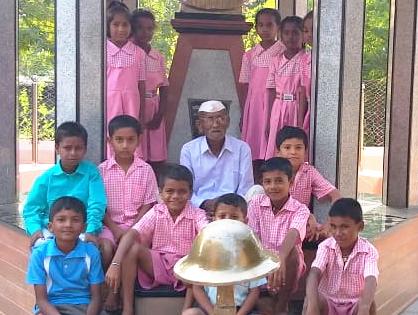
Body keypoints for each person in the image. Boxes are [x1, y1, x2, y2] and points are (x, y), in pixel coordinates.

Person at [105, 164, 208, 315]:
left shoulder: (197, 214)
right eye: (169, 191)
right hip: (158, 264)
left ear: (191, 193)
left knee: (197, 263)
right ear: (160, 192)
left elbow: (207, 232)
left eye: (182, 192)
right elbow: (132, 233)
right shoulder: (157, 211)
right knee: (132, 248)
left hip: (185, 266)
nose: (175, 196)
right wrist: (115, 263)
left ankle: (186, 309)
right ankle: (128, 309)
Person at [98, 115, 158, 311]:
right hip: (110, 225)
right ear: (110, 141)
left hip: (139, 225)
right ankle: (109, 292)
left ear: (139, 140)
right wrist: (115, 229)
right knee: (106, 247)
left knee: (131, 245)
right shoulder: (102, 171)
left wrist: (134, 227)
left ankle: (122, 299)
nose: (125, 145)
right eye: (119, 140)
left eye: (130, 140)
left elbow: (149, 204)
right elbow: (101, 207)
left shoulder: (146, 170)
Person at [246, 126, 341, 241]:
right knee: (256, 190)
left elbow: (335, 194)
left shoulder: (308, 172)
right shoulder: (271, 171)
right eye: (287, 147)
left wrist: (329, 223)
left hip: (298, 221)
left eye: (298, 148)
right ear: (278, 152)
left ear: (305, 152)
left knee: (331, 235)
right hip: (271, 222)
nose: (293, 152)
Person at [23, 121, 106, 247]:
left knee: (89, 250)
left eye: (78, 148)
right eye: (67, 148)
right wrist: (35, 229)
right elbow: (31, 209)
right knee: (41, 248)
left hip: (83, 229)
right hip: (53, 230)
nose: (73, 153)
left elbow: (97, 203)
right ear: (57, 148)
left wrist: (91, 230)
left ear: (85, 149)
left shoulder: (91, 173)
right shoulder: (47, 178)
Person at [182, 193, 266, 315]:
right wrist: (212, 313)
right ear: (213, 219)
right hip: (210, 309)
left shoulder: (250, 251)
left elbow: (254, 291)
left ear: (245, 221)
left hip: (241, 310)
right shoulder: (206, 249)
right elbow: (197, 288)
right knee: (190, 314)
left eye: (234, 217)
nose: (228, 221)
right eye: (222, 216)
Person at [247, 157, 310, 315]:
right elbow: (253, 236)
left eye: (279, 181)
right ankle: (269, 303)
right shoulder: (255, 203)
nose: (273, 186)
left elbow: (293, 233)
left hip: (287, 262)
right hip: (261, 259)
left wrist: (280, 258)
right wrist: (268, 261)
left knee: (293, 253)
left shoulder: (300, 209)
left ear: (291, 182)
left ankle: (283, 304)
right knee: (265, 308)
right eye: (267, 182)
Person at [26, 196, 104, 315]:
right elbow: (41, 300)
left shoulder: (91, 253)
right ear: (50, 227)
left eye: (75, 220)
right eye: (61, 219)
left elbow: (96, 298)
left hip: (85, 306)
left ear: (84, 227)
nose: (68, 225)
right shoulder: (40, 254)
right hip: (51, 306)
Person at [304, 198, 379, 315]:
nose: (338, 233)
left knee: (369, 305)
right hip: (328, 302)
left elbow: (371, 279)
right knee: (310, 299)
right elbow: (314, 273)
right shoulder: (326, 247)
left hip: (354, 305)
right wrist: (313, 305)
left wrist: (363, 309)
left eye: (344, 227)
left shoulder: (368, 251)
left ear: (360, 227)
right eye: (333, 226)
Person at [180, 100, 254, 216]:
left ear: (228, 122)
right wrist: (203, 203)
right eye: (210, 119)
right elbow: (185, 187)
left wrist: (226, 206)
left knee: (256, 192)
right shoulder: (189, 150)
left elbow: (246, 188)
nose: (216, 124)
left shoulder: (242, 149)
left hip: (234, 209)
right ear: (200, 125)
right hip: (199, 209)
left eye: (220, 118)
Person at [239, 8, 284, 178]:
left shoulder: (282, 52)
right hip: (255, 105)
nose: (265, 29)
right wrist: (245, 111)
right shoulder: (250, 55)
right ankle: (257, 181)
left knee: (271, 143)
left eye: (269, 25)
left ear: (277, 27)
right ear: (256, 28)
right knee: (254, 145)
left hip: (275, 103)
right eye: (261, 25)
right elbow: (244, 84)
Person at [264, 16, 311, 159]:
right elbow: (271, 90)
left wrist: (302, 118)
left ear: (302, 35)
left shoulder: (306, 59)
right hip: (279, 106)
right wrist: (268, 118)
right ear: (281, 36)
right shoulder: (275, 61)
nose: (291, 37)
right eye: (286, 33)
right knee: (277, 142)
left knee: (294, 142)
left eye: (295, 32)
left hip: (296, 107)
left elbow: (303, 90)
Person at [131, 9, 169, 173]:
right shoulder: (130, 53)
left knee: (155, 150)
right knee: (137, 147)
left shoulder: (158, 57)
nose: (145, 32)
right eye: (140, 27)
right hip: (134, 104)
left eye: (149, 28)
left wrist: (160, 114)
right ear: (132, 28)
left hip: (153, 106)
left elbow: (165, 86)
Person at [106, 1, 146, 157]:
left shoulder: (138, 53)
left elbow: (141, 85)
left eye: (125, 25)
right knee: (111, 134)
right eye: (116, 24)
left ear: (131, 28)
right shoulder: (102, 51)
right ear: (108, 27)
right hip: (109, 103)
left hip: (132, 103)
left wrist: (142, 115)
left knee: (130, 134)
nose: (121, 29)